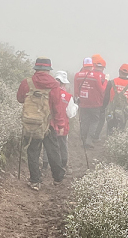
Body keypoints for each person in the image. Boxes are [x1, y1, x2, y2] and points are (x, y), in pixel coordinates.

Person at [17, 57, 69, 190]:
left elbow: (20, 99)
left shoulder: (27, 82)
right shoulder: (54, 85)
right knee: (53, 150)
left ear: (36, 69)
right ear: (48, 70)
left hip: (31, 122)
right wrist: (60, 124)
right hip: (49, 123)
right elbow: (57, 107)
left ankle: (35, 181)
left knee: (33, 150)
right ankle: (57, 178)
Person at [73, 54, 110, 146]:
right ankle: (89, 140)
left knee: (84, 120)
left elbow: (76, 91)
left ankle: (83, 137)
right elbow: (102, 90)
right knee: (94, 121)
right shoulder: (96, 76)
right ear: (92, 66)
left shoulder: (77, 75)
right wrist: (106, 81)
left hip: (83, 102)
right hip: (95, 103)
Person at [49, 70, 76, 178]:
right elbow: (70, 113)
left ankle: (46, 166)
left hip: (49, 125)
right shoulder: (68, 96)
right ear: (64, 83)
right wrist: (76, 107)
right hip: (62, 126)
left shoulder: (49, 93)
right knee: (63, 146)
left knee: (49, 146)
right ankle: (63, 165)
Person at [104, 63, 128, 136]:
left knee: (110, 128)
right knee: (121, 129)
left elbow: (106, 97)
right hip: (123, 112)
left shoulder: (111, 82)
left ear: (119, 71)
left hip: (111, 110)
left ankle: (109, 142)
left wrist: (104, 107)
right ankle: (118, 144)